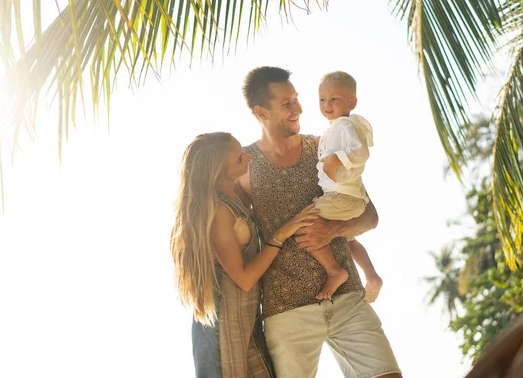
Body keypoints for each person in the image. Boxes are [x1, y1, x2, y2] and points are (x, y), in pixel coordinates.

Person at [237, 67, 401, 378]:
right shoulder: (243, 166)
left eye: (297, 99)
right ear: (261, 111)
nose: (299, 108)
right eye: (287, 103)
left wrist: (334, 230)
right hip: (287, 309)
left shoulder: (323, 148)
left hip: (348, 298)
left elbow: (370, 216)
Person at [170, 132, 319, 378]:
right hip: (223, 331)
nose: (248, 156)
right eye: (239, 157)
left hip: (247, 323)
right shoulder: (217, 211)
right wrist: (283, 233)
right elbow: (244, 278)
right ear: (218, 168)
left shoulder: (234, 198)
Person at [309, 70, 383, 302]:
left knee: (305, 224)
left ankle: (334, 271)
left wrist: (337, 159)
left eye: (334, 99)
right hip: (349, 198)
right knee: (349, 241)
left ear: (352, 102)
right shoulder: (335, 127)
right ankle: (371, 275)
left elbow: (361, 152)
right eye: (322, 99)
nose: (326, 104)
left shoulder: (344, 125)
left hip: (341, 197)